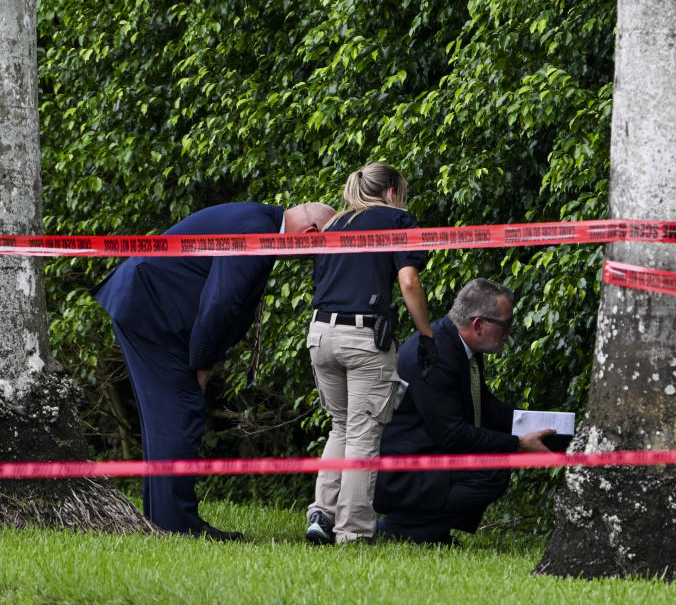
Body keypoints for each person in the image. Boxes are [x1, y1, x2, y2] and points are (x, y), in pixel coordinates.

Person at [91, 201, 335, 541]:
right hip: (152, 311)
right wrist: (202, 364)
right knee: (180, 412)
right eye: (314, 253)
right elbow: (222, 302)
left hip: (151, 307)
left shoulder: (259, 218)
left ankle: (164, 520)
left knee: (167, 417)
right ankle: (176, 526)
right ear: (309, 236)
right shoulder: (258, 232)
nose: (306, 261)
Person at [305, 162, 437, 545]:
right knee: (363, 433)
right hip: (363, 337)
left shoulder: (334, 224)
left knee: (341, 427)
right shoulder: (397, 219)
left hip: (320, 333)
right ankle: (353, 533)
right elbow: (408, 281)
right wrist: (426, 335)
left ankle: (322, 516)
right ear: (393, 191)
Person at [373, 278, 554, 545]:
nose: (511, 330)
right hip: (402, 471)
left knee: (492, 462)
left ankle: (428, 532)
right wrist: (517, 445)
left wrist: (546, 425)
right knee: (492, 471)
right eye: (505, 325)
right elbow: (453, 435)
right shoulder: (436, 357)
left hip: (428, 454)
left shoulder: (459, 344)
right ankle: (401, 528)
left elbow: (484, 407)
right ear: (479, 325)